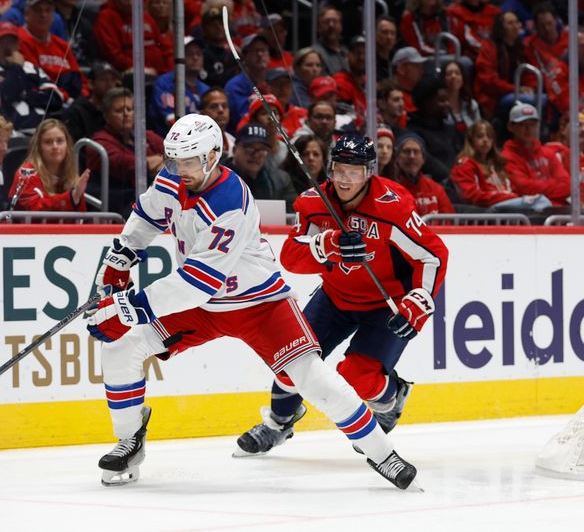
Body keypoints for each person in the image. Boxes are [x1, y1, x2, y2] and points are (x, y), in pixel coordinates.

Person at [85, 115, 418, 490]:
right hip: (204, 308)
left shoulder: (231, 201)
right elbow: (147, 216)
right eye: (173, 160)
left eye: (189, 161)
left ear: (212, 156)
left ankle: (382, 453)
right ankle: (130, 440)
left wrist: (128, 307)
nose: (180, 169)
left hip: (259, 304)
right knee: (121, 347)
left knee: (311, 379)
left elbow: (198, 281)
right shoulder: (173, 177)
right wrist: (122, 256)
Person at [235, 134, 448, 458]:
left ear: (369, 173)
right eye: (339, 169)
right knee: (290, 360)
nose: (345, 179)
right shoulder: (312, 202)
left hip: (384, 304)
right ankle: (279, 423)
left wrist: (419, 300)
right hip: (335, 297)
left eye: (354, 171)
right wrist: (325, 246)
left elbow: (432, 255)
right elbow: (291, 256)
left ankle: (393, 396)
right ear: (331, 168)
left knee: (357, 376)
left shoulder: (392, 206)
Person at [0, 20, 66, 136]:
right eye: (2, 42)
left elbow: (55, 98)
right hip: (11, 135)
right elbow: (0, 97)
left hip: (45, 131)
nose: (7, 48)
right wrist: (17, 69)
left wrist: (24, 93)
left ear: (18, 45)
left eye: (11, 42)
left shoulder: (31, 67)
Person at [87, 88, 165, 219]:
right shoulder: (99, 141)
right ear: (106, 116)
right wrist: (146, 164)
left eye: (129, 109)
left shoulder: (146, 136)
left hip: (148, 198)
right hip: (118, 202)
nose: (126, 114)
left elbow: (172, 153)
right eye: (119, 110)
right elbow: (120, 163)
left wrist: (157, 164)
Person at [451, 119, 552, 211]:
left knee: (543, 204)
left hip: (505, 205)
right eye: (480, 136)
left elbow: (513, 188)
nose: (485, 140)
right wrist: (507, 197)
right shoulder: (464, 164)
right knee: (541, 201)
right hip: (486, 209)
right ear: (471, 140)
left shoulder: (498, 163)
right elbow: (471, 195)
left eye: (489, 136)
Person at [501, 103, 574, 207]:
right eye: (522, 124)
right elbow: (524, 188)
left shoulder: (548, 153)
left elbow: (568, 185)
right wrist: (554, 184)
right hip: (531, 213)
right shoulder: (506, 157)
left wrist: (540, 188)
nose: (528, 129)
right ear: (511, 126)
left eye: (532, 124)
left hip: (558, 211)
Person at [10, 119, 90, 212]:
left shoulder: (71, 175)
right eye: (48, 142)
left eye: (60, 141)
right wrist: (71, 197)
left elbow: (80, 217)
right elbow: (32, 210)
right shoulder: (26, 174)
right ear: (39, 147)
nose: (55, 146)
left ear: (67, 145)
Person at [18, 0, 88, 101]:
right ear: (27, 14)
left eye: (48, 10)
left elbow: (81, 80)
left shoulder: (62, 45)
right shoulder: (20, 40)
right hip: (44, 101)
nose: (43, 15)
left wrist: (83, 98)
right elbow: (37, 79)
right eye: (38, 10)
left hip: (71, 101)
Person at [474, 11, 537, 118]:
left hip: (517, 91)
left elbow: (530, 72)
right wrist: (516, 89)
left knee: (544, 99)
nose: (515, 26)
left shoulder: (522, 47)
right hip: (495, 97)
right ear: (500, 27)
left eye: (517, 22)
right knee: (531, 101)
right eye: (510, 23)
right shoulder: (489, 48)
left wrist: (530, 87)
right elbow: (489, 81)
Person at [93, 0, 173, 75]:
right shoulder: (106, 17)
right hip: (131, 74)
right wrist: (141, 69)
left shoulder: (146, 17)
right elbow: (113, 55)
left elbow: (164, 47)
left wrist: (171, 70)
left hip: (161, 74)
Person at [226, 123, 296, 209]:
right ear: (234, 150)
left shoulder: (282, 180)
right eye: (249, 148)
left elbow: (292, 216)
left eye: (262, 150)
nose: (255, 155)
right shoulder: (217, 178)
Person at [149, 37, 209, 136]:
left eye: (198, 54)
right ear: (179, 56)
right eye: (189, 54)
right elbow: (171, 120)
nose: (195, 57)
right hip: (170, 141)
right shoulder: (165, 83)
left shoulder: (206, 89)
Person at [391, 133, 455, 216]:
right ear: (397, 157)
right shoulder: (390, 189)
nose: (412, 156)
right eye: (406, 151)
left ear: (423, 159)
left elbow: (449, 221)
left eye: (416, 151)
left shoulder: (436, 189)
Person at [61, 62, 121, 142]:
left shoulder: (116, 111)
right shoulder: (76, 113)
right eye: (104, 79)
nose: (110, 84)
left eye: (113, 80)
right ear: (91, 84)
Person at [224, 34, 271, 132]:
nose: (260, 54)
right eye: (255, 51)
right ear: (245, 56)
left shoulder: (274, 80)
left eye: (263, 50)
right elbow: (242, 117)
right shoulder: (234, 86)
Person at [442, 60, 481, 135]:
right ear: (443, 79)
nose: (453, 76)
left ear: (463, 78)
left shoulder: (472, 105)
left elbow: (478, 132)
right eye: (449, 74)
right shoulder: (438, 107)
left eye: (457, 73)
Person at [199, 87, 235, 160]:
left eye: (224, 106)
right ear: (202, 114)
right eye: (214, 106)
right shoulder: (195, 143)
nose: (221, 110)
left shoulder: (233, 141)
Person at [391, 47, 426, 115]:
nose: (422, 70)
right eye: (416, 66)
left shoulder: (420, 92)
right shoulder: (392, 95)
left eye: (421, 66)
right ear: (401, 69)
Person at [313, 5, 347, 76]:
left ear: (341, 26)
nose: (331, 25)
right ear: (318, 27)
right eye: (326, 21)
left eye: (335, 21)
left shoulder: (347, 53)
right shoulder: (313, 54)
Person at [375, 15, 398, 81]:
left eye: (392, 33)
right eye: (384, 32)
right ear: (375, 34)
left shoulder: (398, 59)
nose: (389, 37)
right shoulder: (368, 59)